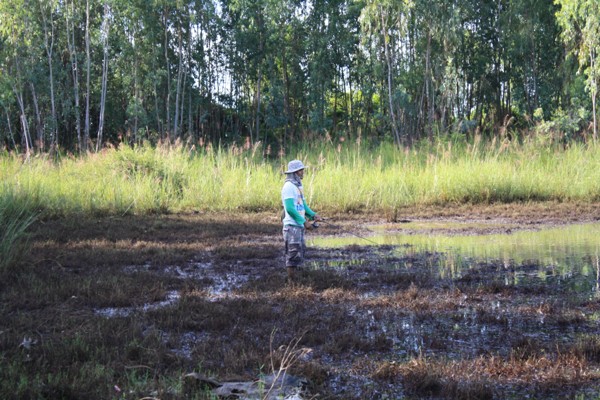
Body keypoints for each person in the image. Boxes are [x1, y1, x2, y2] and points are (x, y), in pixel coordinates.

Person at [281, 159, 321, 281]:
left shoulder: (298, 187)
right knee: (292, 256)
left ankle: (297, 280)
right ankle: (291, 283)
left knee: (300, 253)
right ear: (295, 172)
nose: (303, 172)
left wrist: (313, 215)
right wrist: (304, 222)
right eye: (301, 170)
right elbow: (290, 209)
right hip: (291, 227)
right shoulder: (288, 187)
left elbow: (302, 206)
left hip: (298, 226)